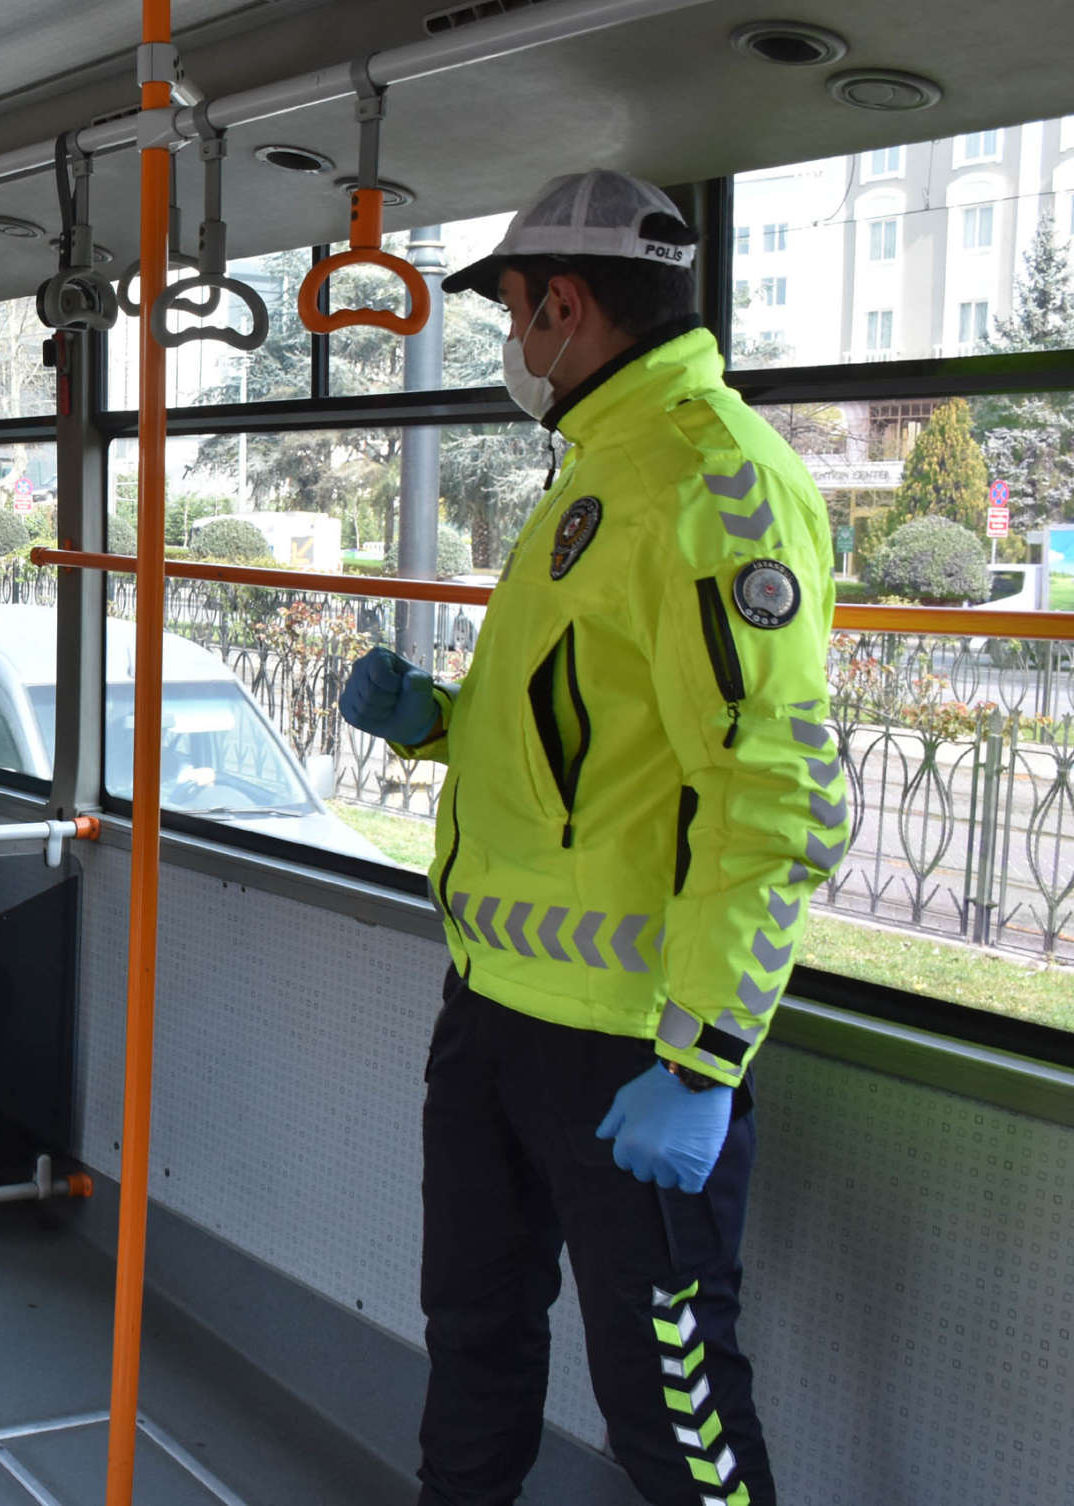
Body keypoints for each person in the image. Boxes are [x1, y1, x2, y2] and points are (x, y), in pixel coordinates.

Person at [335, 172, 844, 1506]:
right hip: (495, 1012)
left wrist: (705, 1052)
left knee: (673, 1408)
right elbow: (584, 741)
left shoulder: (715, 485)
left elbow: (778, 795)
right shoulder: (603, 474)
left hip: (633, 1046)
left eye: (509, 313)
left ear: (563, 304)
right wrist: (433, 723)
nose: (511, 345)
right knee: (476, 1340)